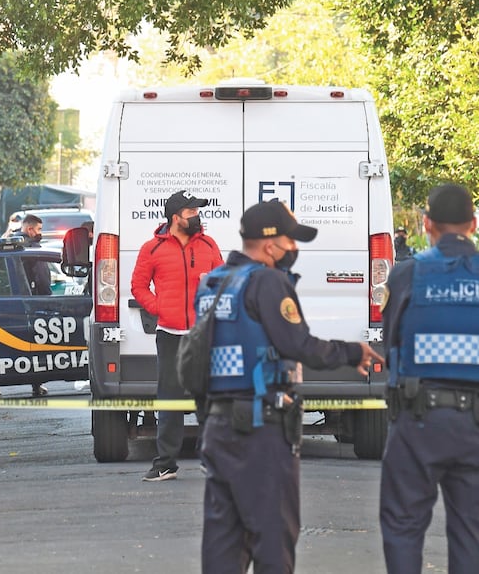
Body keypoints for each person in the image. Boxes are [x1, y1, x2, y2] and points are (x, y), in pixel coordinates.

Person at [198, 199, 384, 572]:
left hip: (218, 429)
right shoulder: (268, 281)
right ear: (270, 245)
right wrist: (352, 353)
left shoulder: (214, 283)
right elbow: (297, 344)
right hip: (261, 430)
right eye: (290, 240)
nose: (294, 249)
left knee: (224, 543)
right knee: (273, 538)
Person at [380, 184, 479, 574]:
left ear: (426, 224)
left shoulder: (407, 275)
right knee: (471, 531)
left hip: (418, 420)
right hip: (475, 426)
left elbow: (391, 344)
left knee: (404, 525)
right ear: (472, 224)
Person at [131, 190, 224, 482]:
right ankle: (166, 464)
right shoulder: (152, 249)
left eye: (198, 211)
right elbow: (138, 286)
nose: (197, 216)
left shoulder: (209, 245)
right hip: (169, 334)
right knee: (169, 398)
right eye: (192, 212)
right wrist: (159, 308)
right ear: (176, 218)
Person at [0, 213, 50, 399]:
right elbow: (42, 278)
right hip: (31, 303)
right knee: (36, 345)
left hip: (6, 302)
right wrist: (47, 298)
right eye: (39, 229)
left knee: (1, 348)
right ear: (30, 229)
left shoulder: (7, 244)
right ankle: (37, 384)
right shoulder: (29, 248)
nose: (40, 233)